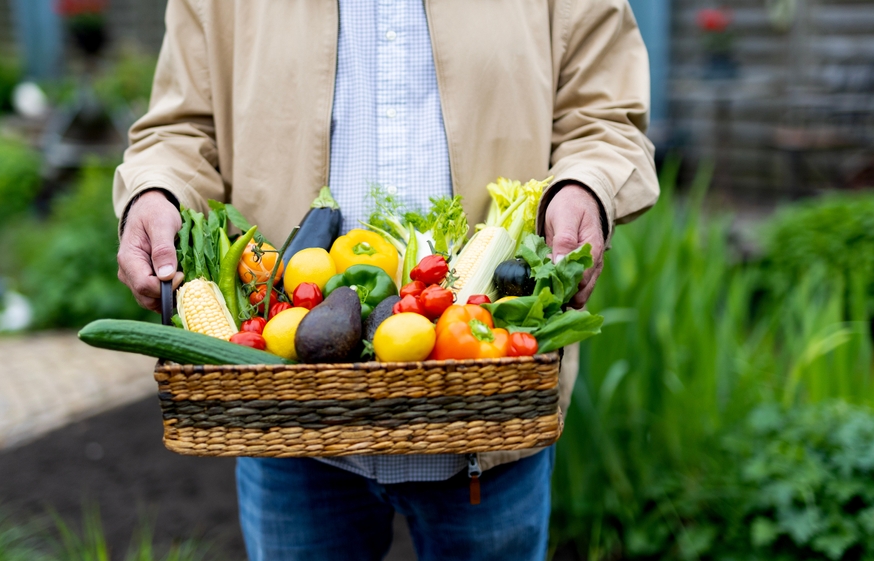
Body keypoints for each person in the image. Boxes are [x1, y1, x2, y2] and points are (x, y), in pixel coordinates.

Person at [115, 1, 658, 559]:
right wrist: (156, 192)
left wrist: (586, 186)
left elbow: (604, 119)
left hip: (488, 412)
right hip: (289, 420)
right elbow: (180, 130)